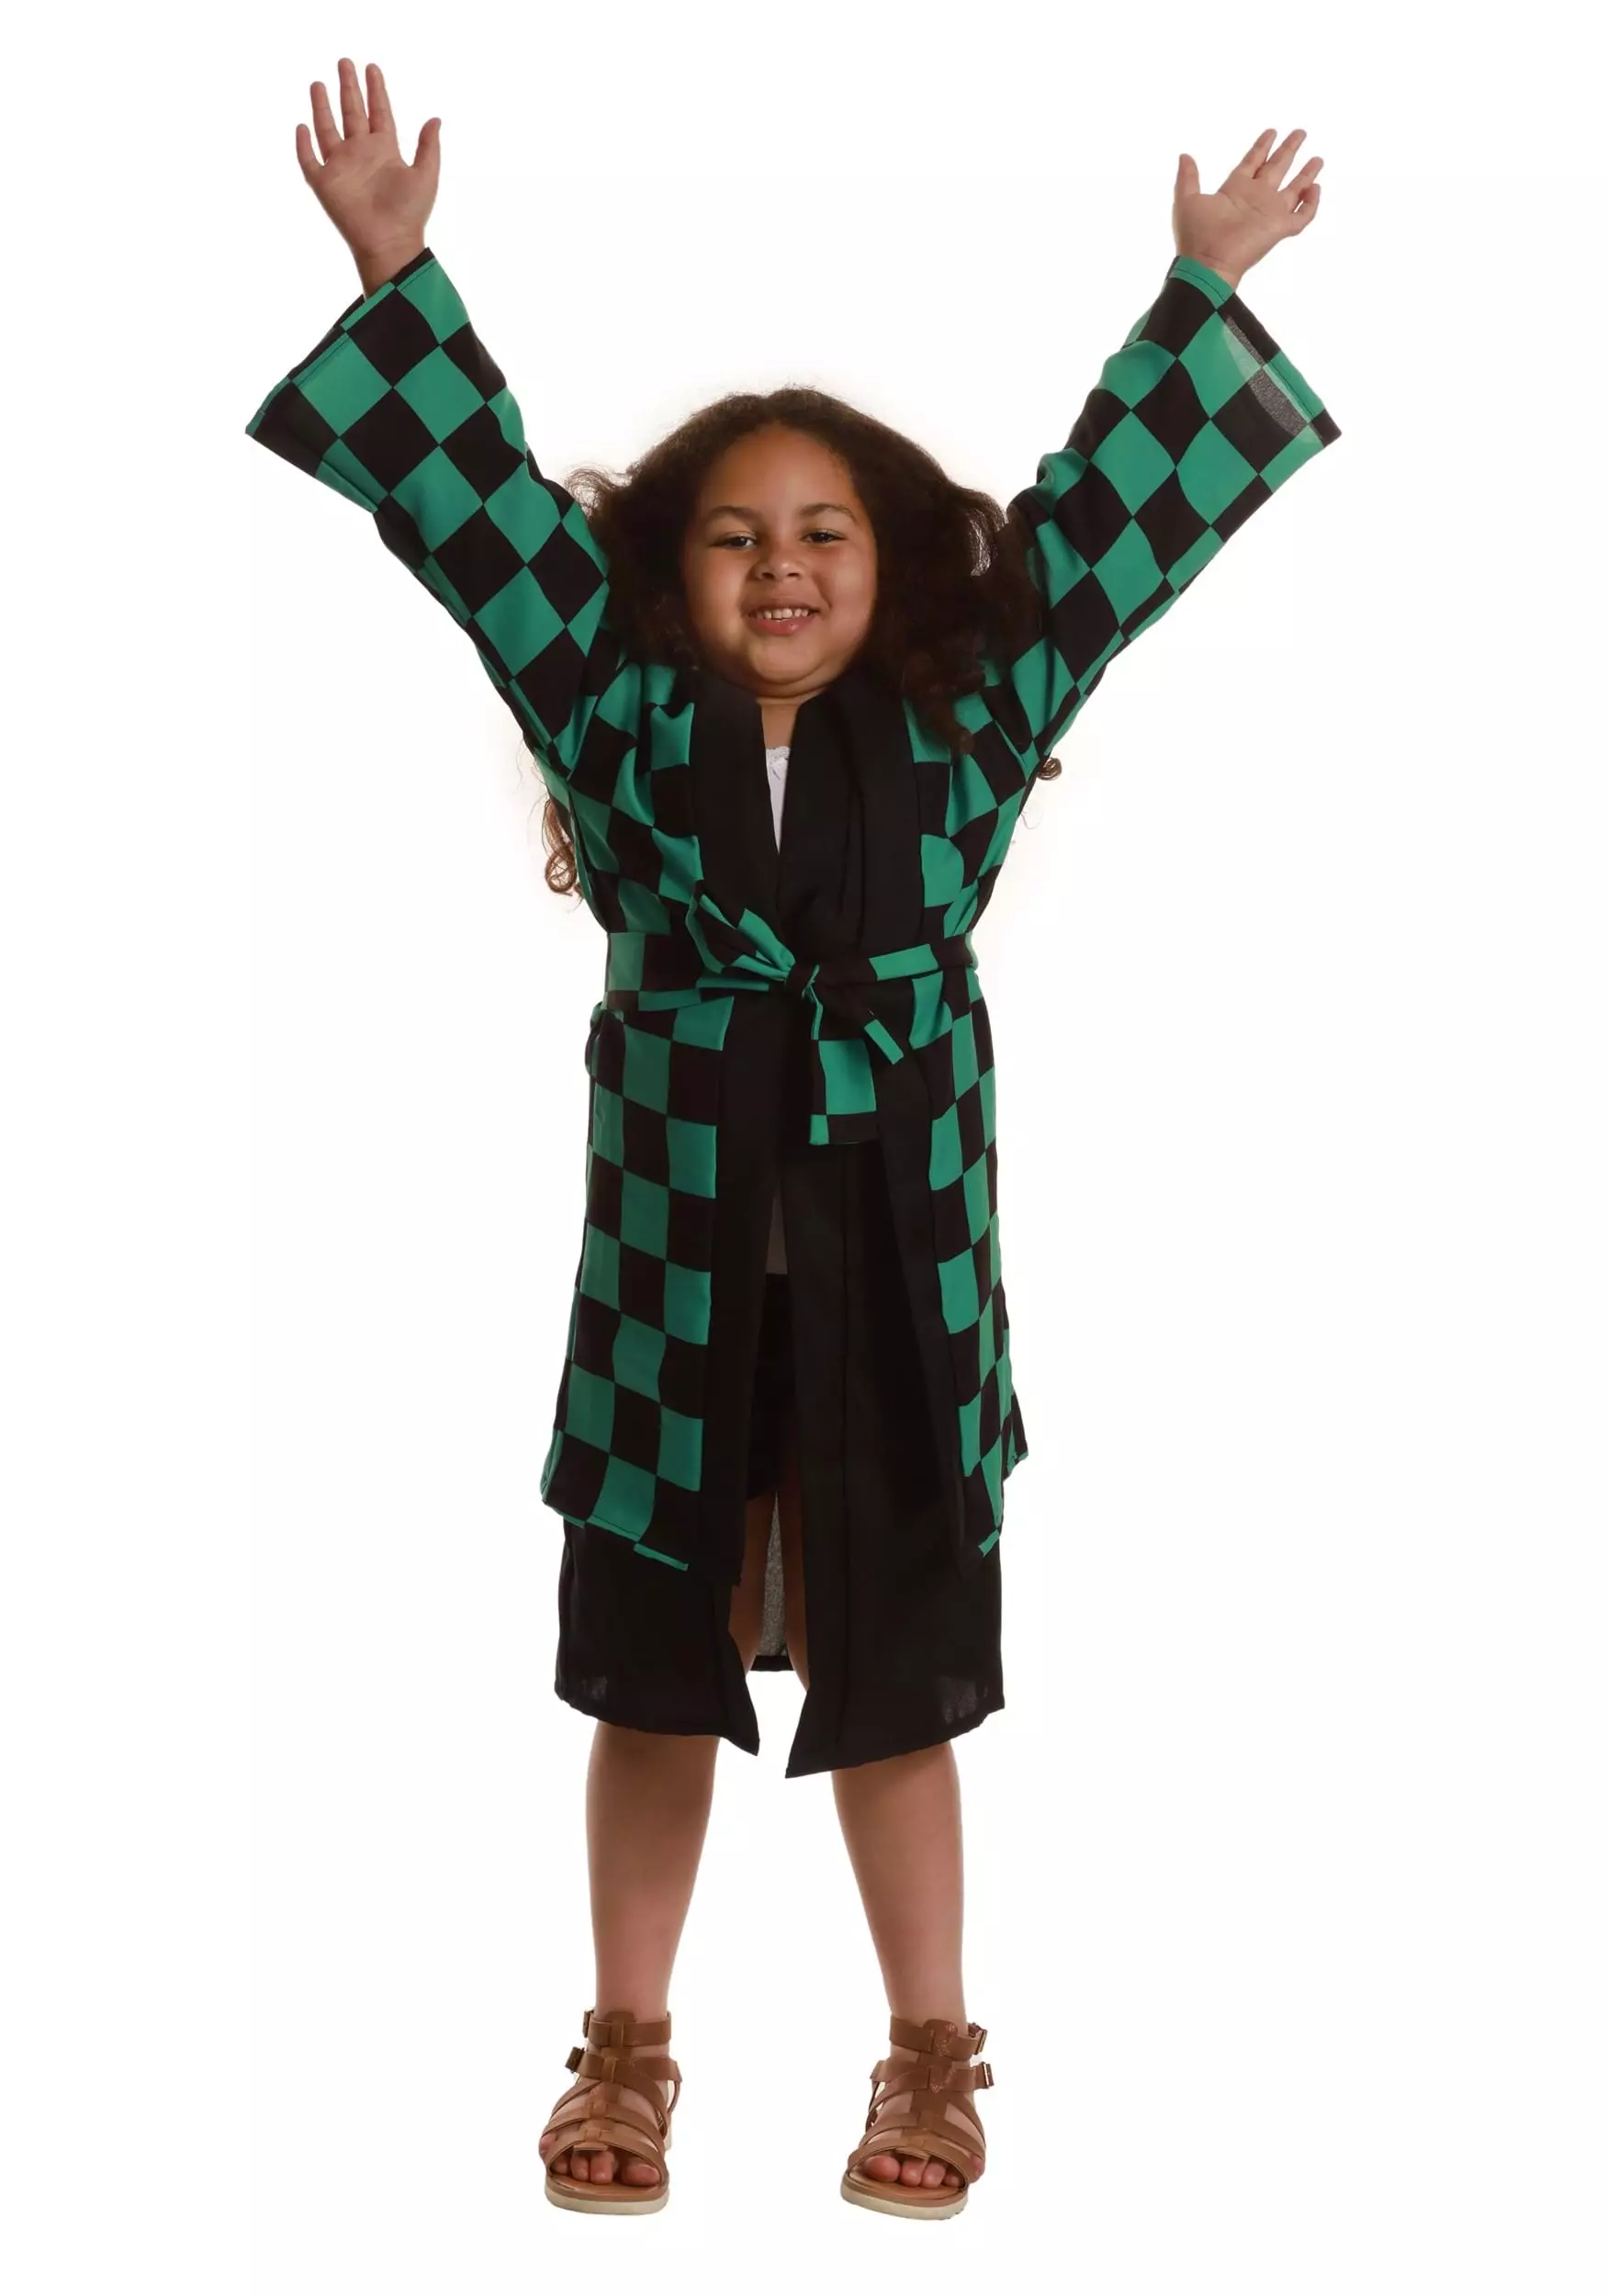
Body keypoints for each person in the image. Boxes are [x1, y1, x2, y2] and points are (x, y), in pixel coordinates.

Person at [244, 57, 1338, 2218]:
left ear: (888, 562)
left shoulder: (969, 708)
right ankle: (625, 2042)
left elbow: (1097, 538)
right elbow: (479, 523)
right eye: (733, 533)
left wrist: (1201, 292)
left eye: (822, 532)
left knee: (890, 1681)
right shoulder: (611, 706)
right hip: (671, 1285)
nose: (778, 564)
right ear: (670, 568)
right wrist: (392, 270)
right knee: (648, 1681)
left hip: (899, 1271)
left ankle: (930, 2053)